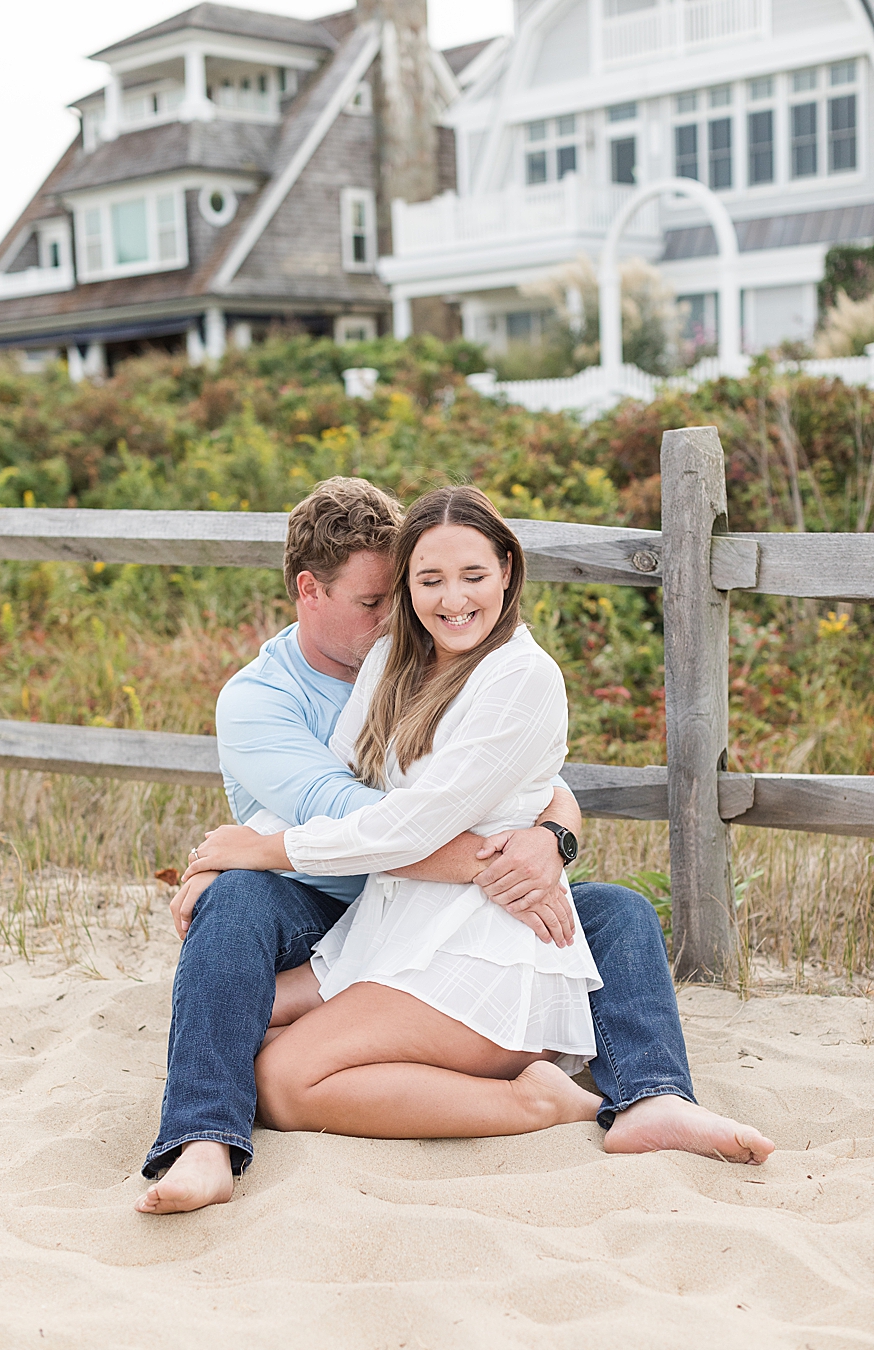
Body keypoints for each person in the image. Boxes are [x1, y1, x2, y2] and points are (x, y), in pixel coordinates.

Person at [138, 477, 774, 1216]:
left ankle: (648, 1094)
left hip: (425, 906)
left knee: (615, 912)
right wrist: (244, 858)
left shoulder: (496, 668)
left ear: (506, 567)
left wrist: (550, 837)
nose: (419, 608)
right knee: (234, 904)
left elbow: (504, 788)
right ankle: (203, 1135)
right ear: (312, 591)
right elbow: (357, 802)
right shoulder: (272, 696)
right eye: (397, 594)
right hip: (321, 901)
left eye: (465, 577)